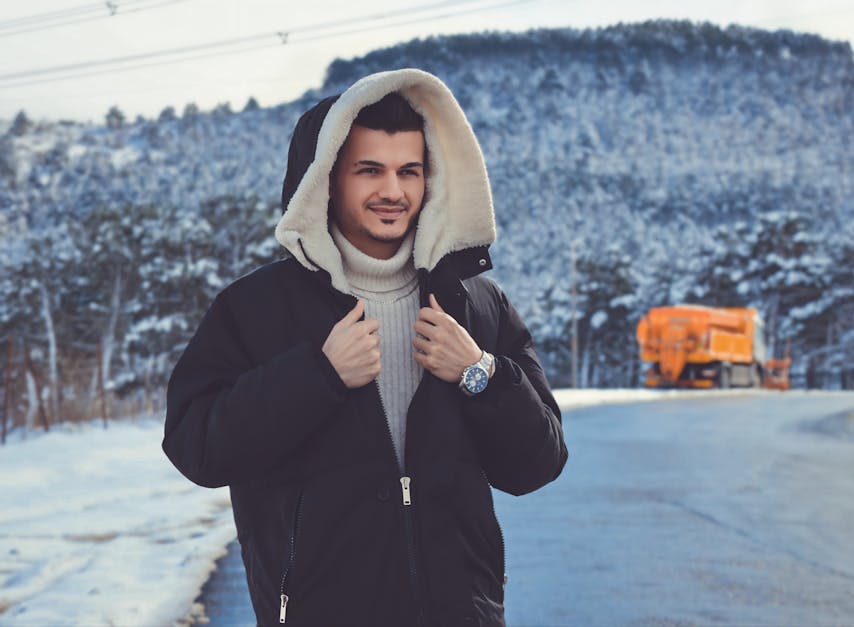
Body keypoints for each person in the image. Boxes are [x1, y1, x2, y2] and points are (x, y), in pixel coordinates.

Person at [163, 68, 567, 627]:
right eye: (369, 170)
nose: (393, 192)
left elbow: (538, 464)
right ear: (326, 180)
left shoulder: (478, 305)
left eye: (410, 171)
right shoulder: (253, 309)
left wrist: (480, 372)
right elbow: (196, 447)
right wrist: (317, 378)